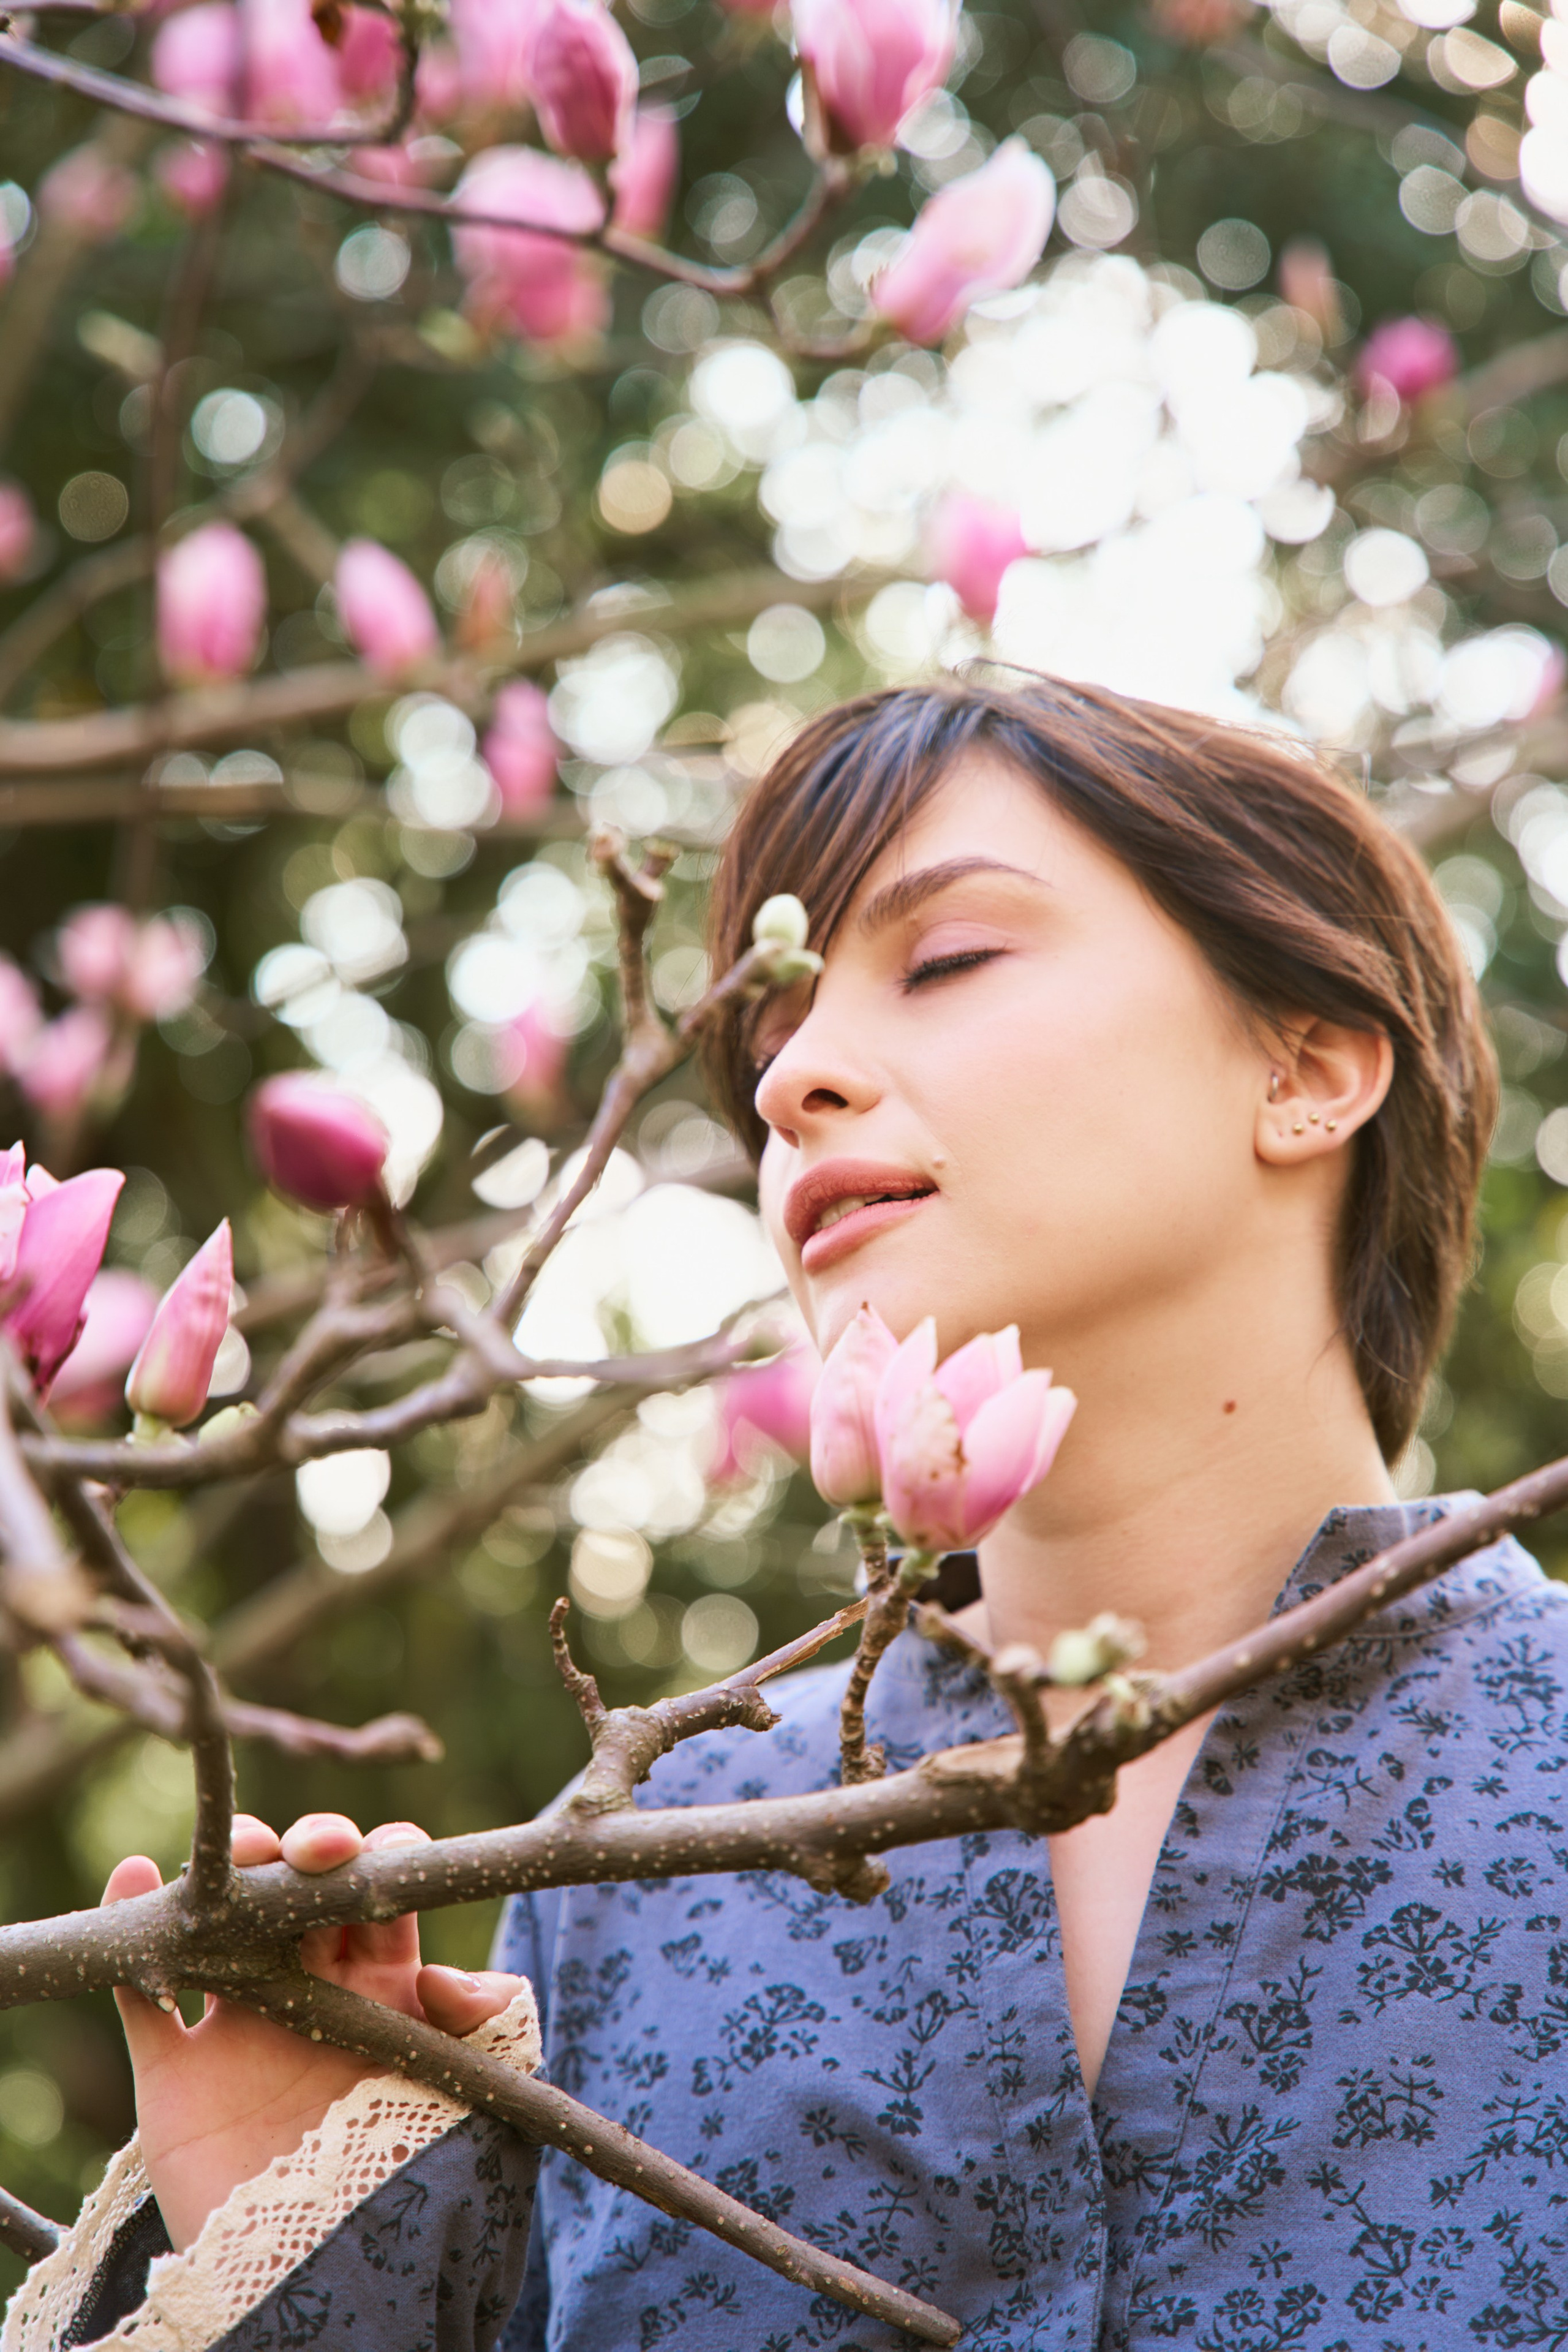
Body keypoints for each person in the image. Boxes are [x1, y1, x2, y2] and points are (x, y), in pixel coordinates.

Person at [13, 672, 1561, 2351]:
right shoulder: (631, 1890)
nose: (793, 1080)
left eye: (949, 959)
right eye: (770, 1037)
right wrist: (286, 2230)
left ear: (1311, 1068)